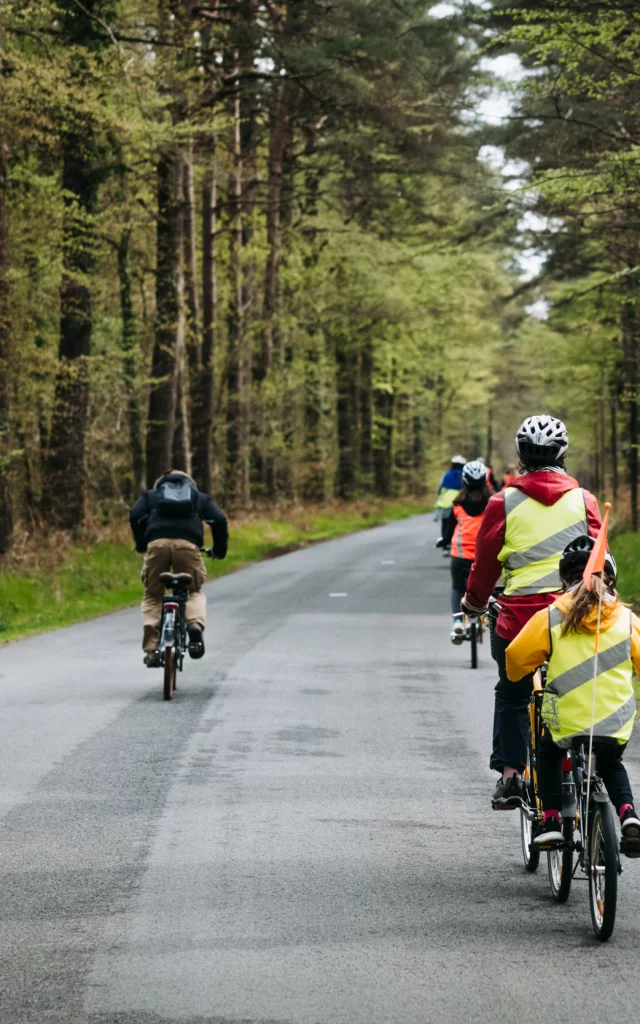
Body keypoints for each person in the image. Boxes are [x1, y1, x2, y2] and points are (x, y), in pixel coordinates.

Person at [461, 415, 602, 809]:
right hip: (572, 615)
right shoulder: (584, 499)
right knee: (577, 682)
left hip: (519, 618)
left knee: (512, 691)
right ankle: (585, 759)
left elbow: (485, 564)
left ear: (521, 455)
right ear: (563, 453)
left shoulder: (502, 501)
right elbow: (598, 558)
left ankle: (510, 777)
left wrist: (472, 602)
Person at [506, 536, 640, 855]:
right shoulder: (626, 618)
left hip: (563, 716)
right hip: (615, 716)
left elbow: (515, 659)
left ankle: (551, 819)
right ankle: (628, 815)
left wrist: (519, 673)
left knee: (549, 750)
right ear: (610, 577)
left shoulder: (553, 615)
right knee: (610, 763)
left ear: (564, 579)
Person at [130, 469, 228, 666]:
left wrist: (142, 544)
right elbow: (219, 520)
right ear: (189, 483)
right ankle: (194, 627)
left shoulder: (151, 496)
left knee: (152, 595)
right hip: (188, 545)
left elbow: (135, 515)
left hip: (156, 544)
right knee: (193, 591)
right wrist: (219, 550)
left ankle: (151, 650)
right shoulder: (198, 497)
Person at [442, 461, 491, 643]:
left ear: (464, 481)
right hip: (483, 558)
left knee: (457, 587)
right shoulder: (492, 505)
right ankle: (483, 616)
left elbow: (448, 533)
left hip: (460, 557)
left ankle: (457, 621)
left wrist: (444, 541)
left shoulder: (457, 505)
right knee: (488, 586)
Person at [434, 454, 466, 548]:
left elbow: (440, 489)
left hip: (446, 503)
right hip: (459, 502)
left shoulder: (446, 475)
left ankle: (445, 542)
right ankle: (456, 543)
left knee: (445, 523)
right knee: (458, 523)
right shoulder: (463, 475)